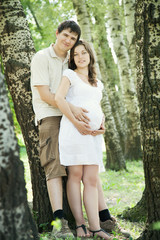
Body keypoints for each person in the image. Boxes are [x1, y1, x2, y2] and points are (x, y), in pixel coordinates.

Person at [31, 20, 130, 239]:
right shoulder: (42, 58)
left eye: (73, 39)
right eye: (65, 36)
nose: (68, 41)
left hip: (79, 124)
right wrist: (74, 112)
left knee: (90, 174)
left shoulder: (72, 58)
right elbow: (47, 95)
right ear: (57, 33)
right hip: (51, 115)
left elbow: (89, 97)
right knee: (56, 168)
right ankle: (62, 222)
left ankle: (102, 218)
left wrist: (98, 120)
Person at [55, 40, 113, 240]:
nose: (80, 57)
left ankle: (96, 228)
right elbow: (59, 99)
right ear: (71, 59)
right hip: (73, 131)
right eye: (76, 54)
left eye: (83, 53)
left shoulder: (97, 82)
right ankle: (80, 225)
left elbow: (95, 105)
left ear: (90, 55)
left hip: (92, 137)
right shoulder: (69, 75)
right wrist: (77, 123)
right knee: (76, 175)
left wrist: (102, 122)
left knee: (91, 180)